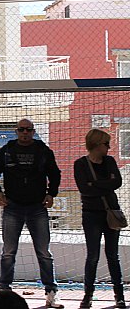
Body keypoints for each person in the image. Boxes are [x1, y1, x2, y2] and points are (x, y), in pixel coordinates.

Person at [0, 119, 63, 308]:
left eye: (28, 130)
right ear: (16, 131)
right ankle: (4, 291)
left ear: (33, 131)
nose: (25, 133)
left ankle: (51, 292)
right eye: (21, 129)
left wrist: (51, 193)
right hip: (12, 207)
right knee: (8, 251)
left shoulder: (43, 151)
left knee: (44, 252)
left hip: (37, 207)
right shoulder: (6, 151)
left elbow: (55, 173)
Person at [74, 129, 125, 308]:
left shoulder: (109, 161)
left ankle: (119, 295)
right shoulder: (80, 164)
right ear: (96, 144)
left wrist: (94, 183)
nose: (109, 148)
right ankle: (88, 295)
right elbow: (84, 189)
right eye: (106, 144)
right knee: (93, 256)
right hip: (91, 214)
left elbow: (117, 182)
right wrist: (105, 185)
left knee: (113, 255)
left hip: (110, 212)